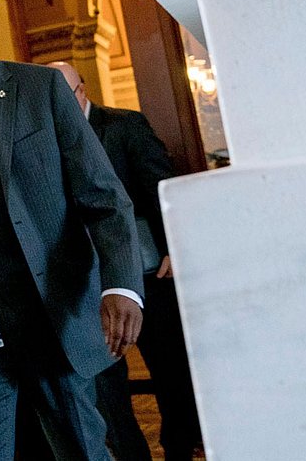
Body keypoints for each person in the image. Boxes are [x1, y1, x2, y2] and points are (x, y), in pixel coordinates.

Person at [0, 0, 144, 461]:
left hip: (53, 317)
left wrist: (121, 286)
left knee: (83, 450)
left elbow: (103, 197)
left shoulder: (41, 89)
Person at [49, 62, 204, 461]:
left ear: (83, 91)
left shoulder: (124, 126)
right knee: (107, 386)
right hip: (88, 283)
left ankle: (178, 449)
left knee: (170, 371)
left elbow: (159, 185)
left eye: (66, 95)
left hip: (148, 274)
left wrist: (174, 245)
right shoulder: (45, 139)